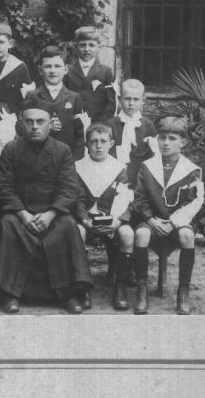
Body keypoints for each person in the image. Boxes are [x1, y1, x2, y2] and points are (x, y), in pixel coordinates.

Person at [0, 97, 93, 314]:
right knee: (8, 225)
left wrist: (50, 214)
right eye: (29, 122)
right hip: (20, 211)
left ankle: (68, 293)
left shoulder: (62, 150)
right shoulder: (11, 149)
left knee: (68, 226)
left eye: (40, 122)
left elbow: (69, 188)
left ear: (50, 123)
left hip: (53, 211)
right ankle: (11, 293)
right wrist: (23, 214)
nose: (34, 127)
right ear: (21, 123)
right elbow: (3, 186)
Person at [130, 116, 205, 315]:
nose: (165, 143)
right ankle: (142, 289)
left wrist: (173, 223)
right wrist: (150, 219)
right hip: (152, 221)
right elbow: (139, 198)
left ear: (183, 142)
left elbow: (194, 202)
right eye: (162, 137)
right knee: (141, 234)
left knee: (187, 235)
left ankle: (183, 291)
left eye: (172, 138)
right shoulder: (147, 166)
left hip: (178, 223)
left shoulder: (192, 170)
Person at [75, 123, 135, 311]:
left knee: (127, 234)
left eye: (103, 141)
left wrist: (117, 221)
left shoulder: (119, 168)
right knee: (77, 232)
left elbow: (126, 198)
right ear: (87, 144)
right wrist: (85, 219)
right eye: (93, 141)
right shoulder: (77, 167)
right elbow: (75, 199)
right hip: (85, 219)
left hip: (112, 219)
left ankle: (120, 287)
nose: (98, 146)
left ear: (111, 143)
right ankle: (83, 288)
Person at [22, 45, 85, 160]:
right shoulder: (32, 96)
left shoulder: (74, 98)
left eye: (57, 66)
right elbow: (21, 127)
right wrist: (45, 127)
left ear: (66, 69)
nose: (52, 71)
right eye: (47, 66)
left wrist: (75, 160)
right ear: (40, 70)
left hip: (67, 158)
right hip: (38, 157)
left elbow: (80, 134)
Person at [104, 78, 156, 187]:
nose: (131, 103)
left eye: (136, 99)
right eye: (127, 99)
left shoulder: (147, 125)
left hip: (139, 177)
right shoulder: (110, 124)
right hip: (114, 176)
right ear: (119, 99)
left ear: (143, 101)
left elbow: (151, 157)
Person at [63, 26, 116, 123]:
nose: (87, 49)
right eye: (82, 45)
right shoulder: (68, 71)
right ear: (76, 47)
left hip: (98, 124)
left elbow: (111, 103)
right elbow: (63, 99)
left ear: (98, 47)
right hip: (73, 123)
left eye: (91, 45)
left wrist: (100, 124)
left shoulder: (106, 72)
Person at [0, 21, 33, 115]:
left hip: (12, 116)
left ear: (10, 43)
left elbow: (27, 98)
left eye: (1, 42)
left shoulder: (19, 67)